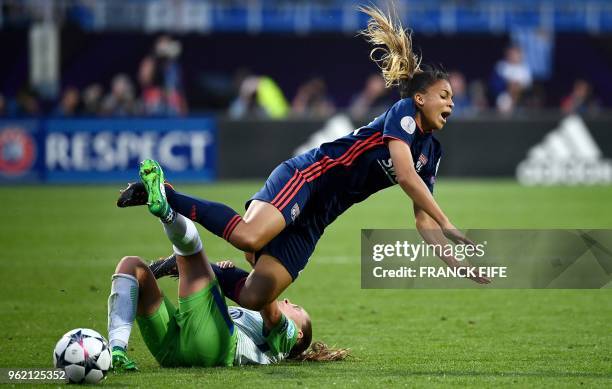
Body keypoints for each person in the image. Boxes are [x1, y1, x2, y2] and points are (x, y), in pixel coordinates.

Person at [119, 5, 489, 314]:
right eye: (445, 95)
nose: (451, 104)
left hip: (320, 215)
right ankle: (166, 194)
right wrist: (449, 222)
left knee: (255, 294)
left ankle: (188, 266)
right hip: (308, 177)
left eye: (453, 99)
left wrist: (457, 264)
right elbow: (406, 177)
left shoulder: (432, 153)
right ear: (421, 98)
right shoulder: (404, 113)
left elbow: (423, 220)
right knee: (250, 238)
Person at [108, 191, 323, 370]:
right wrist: (219, 273)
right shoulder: (257, 323)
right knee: (132, 267)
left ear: (299, 333)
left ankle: (167, 211)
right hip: (172, 351)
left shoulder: (286, 339)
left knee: (190, 246)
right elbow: (248, 296)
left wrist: (259, 264)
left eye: (295, 307)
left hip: (214, 348)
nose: (288, 302)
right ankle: (117, 351)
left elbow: (269, 305)